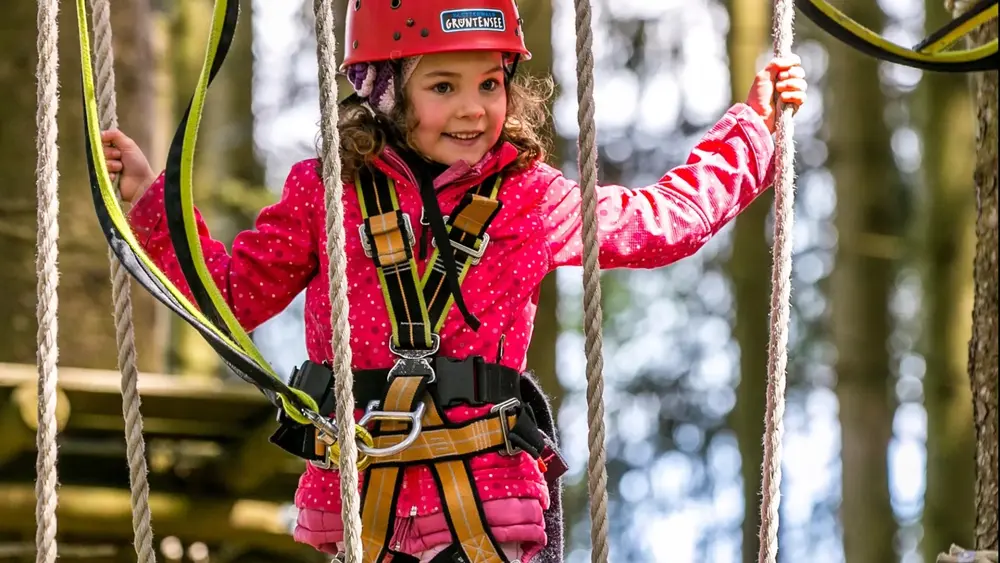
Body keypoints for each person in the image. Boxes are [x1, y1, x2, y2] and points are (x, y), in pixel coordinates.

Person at [102, 1, 807, 561]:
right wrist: (152, 202)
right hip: (361, 512)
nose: (474, 109)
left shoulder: (531, 199)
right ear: (385, 91)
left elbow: (664, 221)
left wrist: (754, 126)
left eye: (490, 84)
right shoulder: (327, 194)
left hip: (487, 511)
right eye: (444, 86)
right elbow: (232, 296)